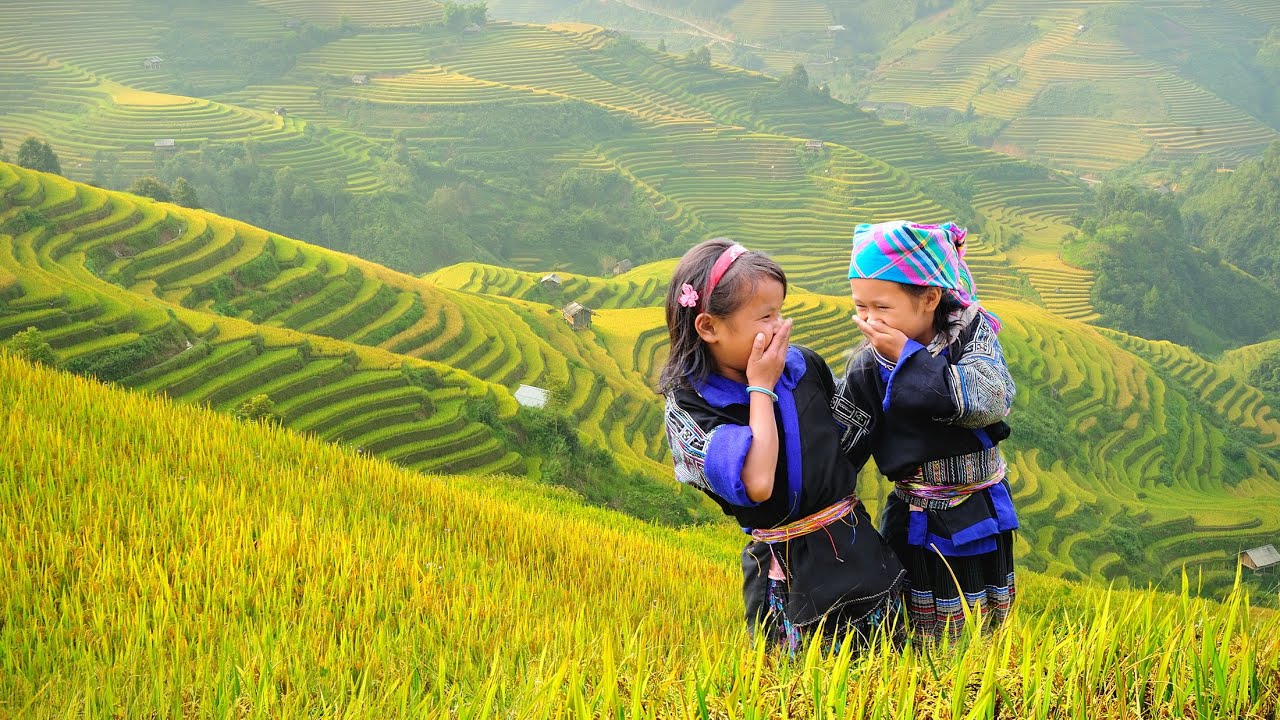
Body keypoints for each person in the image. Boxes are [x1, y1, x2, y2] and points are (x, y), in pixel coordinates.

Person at [659, 237, 905, 652]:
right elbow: (758, 483)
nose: (781, 327)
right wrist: (761, 387)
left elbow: (845, 443)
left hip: (860, 556)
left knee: (889, 672)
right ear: (709, 327)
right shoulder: (691, 406)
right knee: (799, 684)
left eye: (780, 312)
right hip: (786, 582)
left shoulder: (803, 365)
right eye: (766, 316)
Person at [835, 220, 1018, 642]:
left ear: (930, 298)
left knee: (988, 621)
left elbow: (991, 397)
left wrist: (909, 357)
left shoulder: (970, 333)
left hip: (984, 505)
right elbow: (843, 442)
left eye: (882, 307)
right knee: (927, 627)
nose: (869, 319)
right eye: (861, 307)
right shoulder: (867, 365)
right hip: (921, 519)